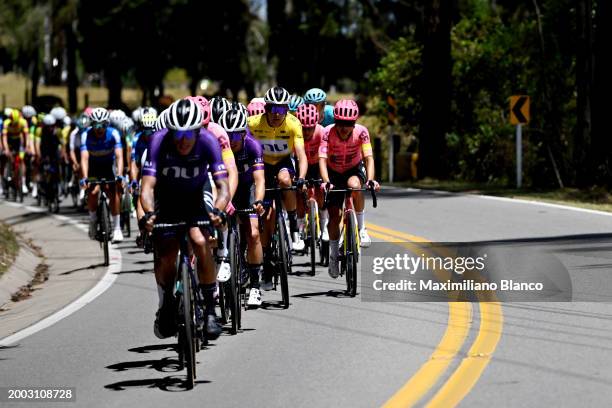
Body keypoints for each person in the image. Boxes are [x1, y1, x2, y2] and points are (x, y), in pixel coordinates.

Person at [140, 98, 230, 340]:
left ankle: (210, 311)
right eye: (178, 135)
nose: (183, 141)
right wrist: (148, 214)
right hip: (167, 196)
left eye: (188, 135)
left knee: (200, 242)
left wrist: (219, 211)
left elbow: (222, 186)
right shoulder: (158, 141)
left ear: (197, 131)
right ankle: (166, 303)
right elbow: (147, 187)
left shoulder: (208, 141)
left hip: (196, 195)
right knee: (166, 251)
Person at [247, 86, 308, 289]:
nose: (276, 114)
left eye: (281, 110)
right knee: (265, 215)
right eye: (272, 108)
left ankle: (293, 226)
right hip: (262, 165)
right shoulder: (253, 123)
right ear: (266, 108)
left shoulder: (293, 124)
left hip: (282, 163)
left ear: (287, 111)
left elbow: (301, 155)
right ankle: (265, 258)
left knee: (285, 181)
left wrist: (301, 177)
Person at [319, 99, 380, 278]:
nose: (344, 128)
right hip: (333, 172)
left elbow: (368, 158)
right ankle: (332, 255)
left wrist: (370, 180)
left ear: (354, 123)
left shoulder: (362, 132)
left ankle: (361, 229)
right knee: (335, 215)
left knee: (355, 186)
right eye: (340, 123)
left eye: (349, 124)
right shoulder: (327, 133)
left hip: (353, 169)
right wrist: (326, 181)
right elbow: (322, 159)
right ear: (335, 121)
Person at [187, 95, 238, 283]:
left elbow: (231, 170)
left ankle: (223, 253)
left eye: (204, 126)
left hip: (212, 173)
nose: (200, 132)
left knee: (218, 202)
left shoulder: (217, 133)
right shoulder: (179, 134)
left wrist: (228, 199)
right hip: (190, 176)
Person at [219, 108, 266, 306]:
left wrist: (258, 201)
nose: (232, 139)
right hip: (226, 190)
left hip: (247, 189)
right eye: (228, 134)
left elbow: (259, 179)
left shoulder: (253, 146)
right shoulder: (219, 146)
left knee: (254, 233)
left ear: (244, 133)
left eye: (236, 134)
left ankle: (255, 286)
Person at [79, 107, 125, 242]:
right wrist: (84, 178)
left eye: (103, 125)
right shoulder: (86, 135)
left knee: (114, 192)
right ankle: (93, 220)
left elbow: (119, 157)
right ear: (91, 124)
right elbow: (84, 158)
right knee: (93, 193)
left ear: (107, 124)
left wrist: (120, 174)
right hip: (93, 168)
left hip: (107, 167)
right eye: (96, 125)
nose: (99, 129)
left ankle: (117, 228)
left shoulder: (114, 134)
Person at [295, 104, 328, 242]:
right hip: (300, 166)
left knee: (321, 190)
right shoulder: (295, 132)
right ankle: (301, 224)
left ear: (316, 124)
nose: (307, 132)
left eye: (310, 128)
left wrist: (325, 179)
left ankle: (324, 224)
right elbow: (291, 157)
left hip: (317, 165)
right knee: (298, 192)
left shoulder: (321, 132)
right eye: (304, 128)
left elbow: (325, 157)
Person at [2, 109, 30, 195]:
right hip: (10, 141)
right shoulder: (6, 123)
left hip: (19, 141)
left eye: (16, 123)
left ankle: (23, 183)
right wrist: (6, 149)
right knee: (9, 158)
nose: (14, 125)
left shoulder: (23, 122)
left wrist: (27, 147)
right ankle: (8, 174)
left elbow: (26, 136)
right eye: (13, 123)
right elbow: (4, 138)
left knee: (21, 160)